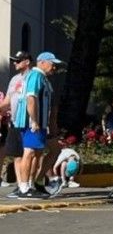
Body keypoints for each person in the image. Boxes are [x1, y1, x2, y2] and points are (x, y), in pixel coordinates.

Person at [15, 52, 65, 199]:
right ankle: (24, 187)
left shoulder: (43, 79)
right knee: (29, 152)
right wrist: (34, 120)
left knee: (37, 153)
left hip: (41, 123)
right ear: (42, 62)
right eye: (52, 63)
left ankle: (30, 184)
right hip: (31, 122)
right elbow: (31, 98)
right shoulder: (35, 76)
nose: (54, 67)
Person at [0, 51, 33, 198]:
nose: (15, 63)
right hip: (15, 122)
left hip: (29, 122)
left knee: (31, 153)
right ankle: (21, 186)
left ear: (27, 62)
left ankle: (29, 184)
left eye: (18, 60)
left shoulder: (33, 77)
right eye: (14, 61)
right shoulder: (14, 79)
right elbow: (7, 101)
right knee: (17, 154)